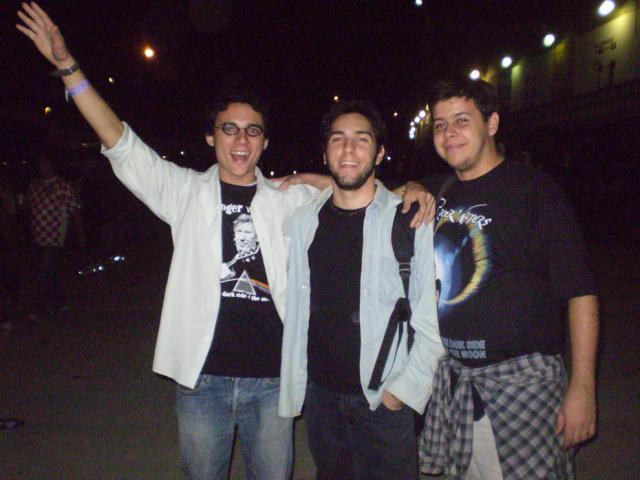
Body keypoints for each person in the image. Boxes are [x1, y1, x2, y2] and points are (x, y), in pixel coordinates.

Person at [16, 4, 432, 479]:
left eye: (252, 131)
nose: (240, 140)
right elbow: (122, 144)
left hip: (272, 381)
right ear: (211, 138)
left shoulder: (288, 200)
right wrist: (69, 68)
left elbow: (352, 187)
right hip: (203, 381)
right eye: (228, 129)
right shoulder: (185, 193)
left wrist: (408, 189)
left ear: (264, 143)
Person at [417, 78, 599, 480]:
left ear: (492, 123)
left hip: (523, 386)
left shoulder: (535, 190)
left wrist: (583, 388)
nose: (449, 133)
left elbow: (580, 292)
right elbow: (371, 195)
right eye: (440, 124)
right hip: (458, 382)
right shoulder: (438, 191)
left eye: (461, 120)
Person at [279, 99, 444, 480]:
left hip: (382, 400)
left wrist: (401, 393)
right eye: (338, 139)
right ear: (325, 152)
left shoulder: (407, 220)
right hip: (320, 397)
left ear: (380, 152)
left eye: (361, 139)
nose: (349, 149)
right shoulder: (303, 220)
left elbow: (431, 320)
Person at [26, 155, 84, 319]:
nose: (42, 167)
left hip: (55, 237)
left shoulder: (62, 186)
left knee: (44, 272)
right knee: (50, 272)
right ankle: (60, 301)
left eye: (45, 163)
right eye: (40, 164)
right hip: (38, 236)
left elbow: (74, 211)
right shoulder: (34, 185)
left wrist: (80, 234)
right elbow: (30, 208)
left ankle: (38, 309)